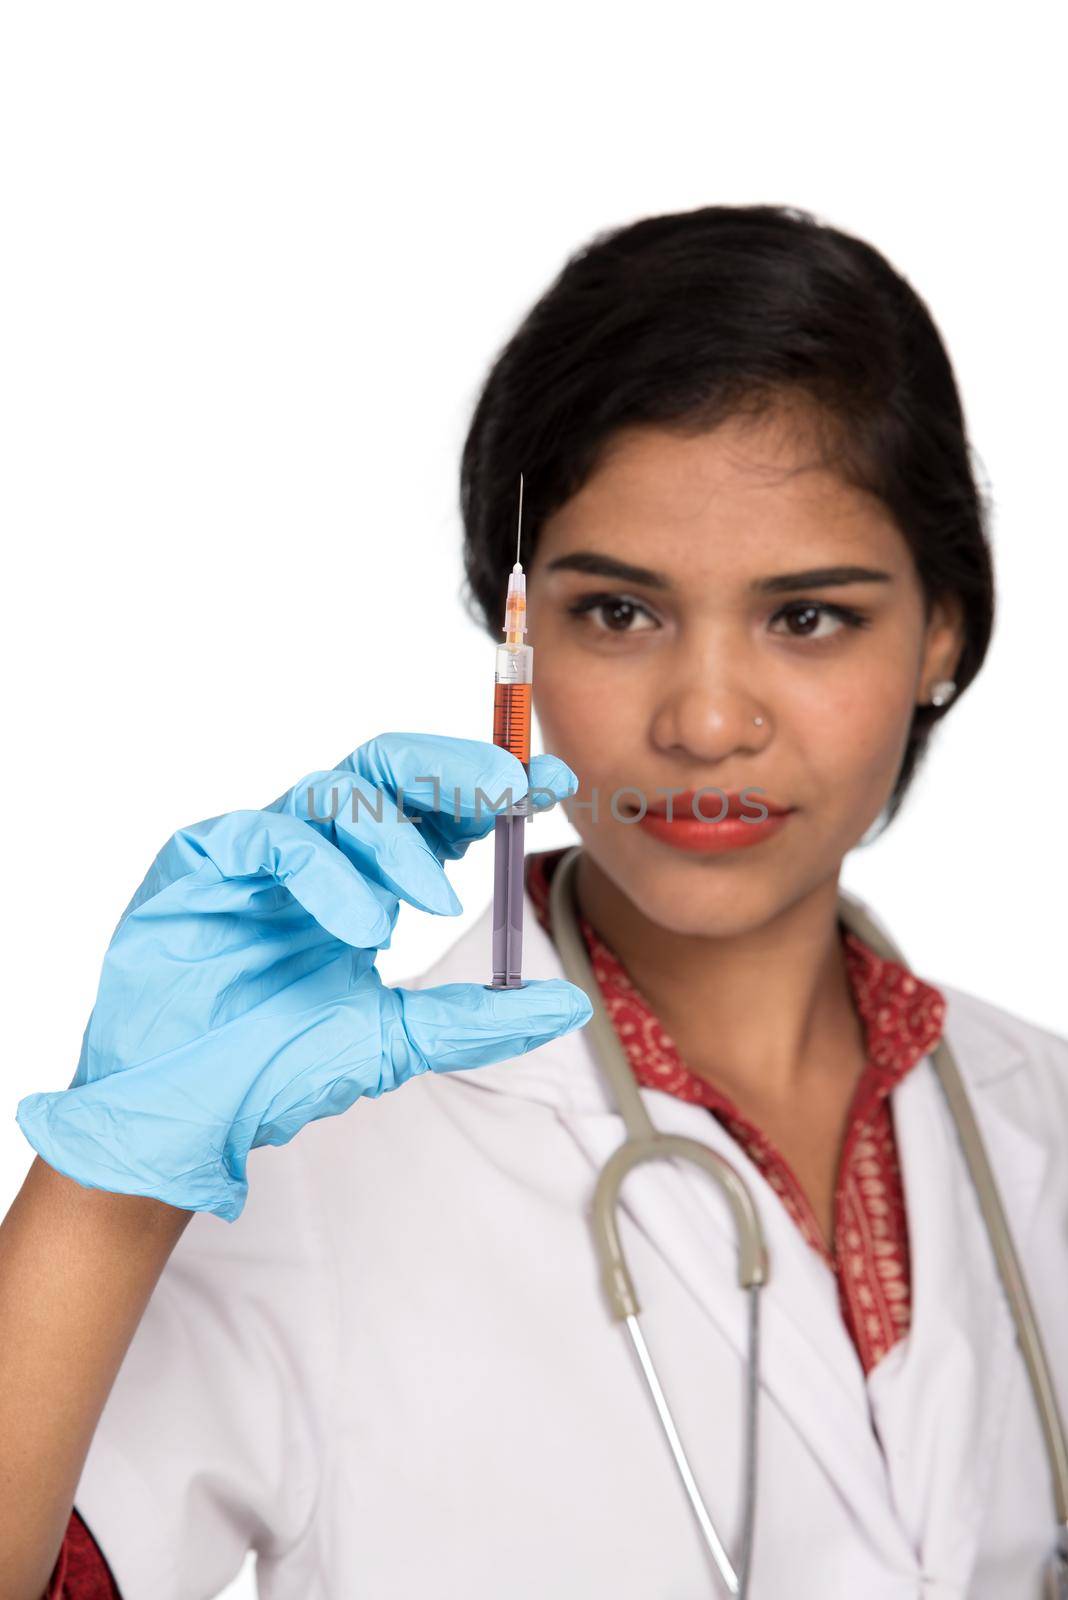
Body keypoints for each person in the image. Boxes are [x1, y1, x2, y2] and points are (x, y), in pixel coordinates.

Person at [3, 203, 1066, 1600]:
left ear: (945, 631)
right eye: (619, 612)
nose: (704, 720)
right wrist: (104, 1193)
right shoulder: (310, 1162)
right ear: (518, 632)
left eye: (808, 616)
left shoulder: (1038, 1116)